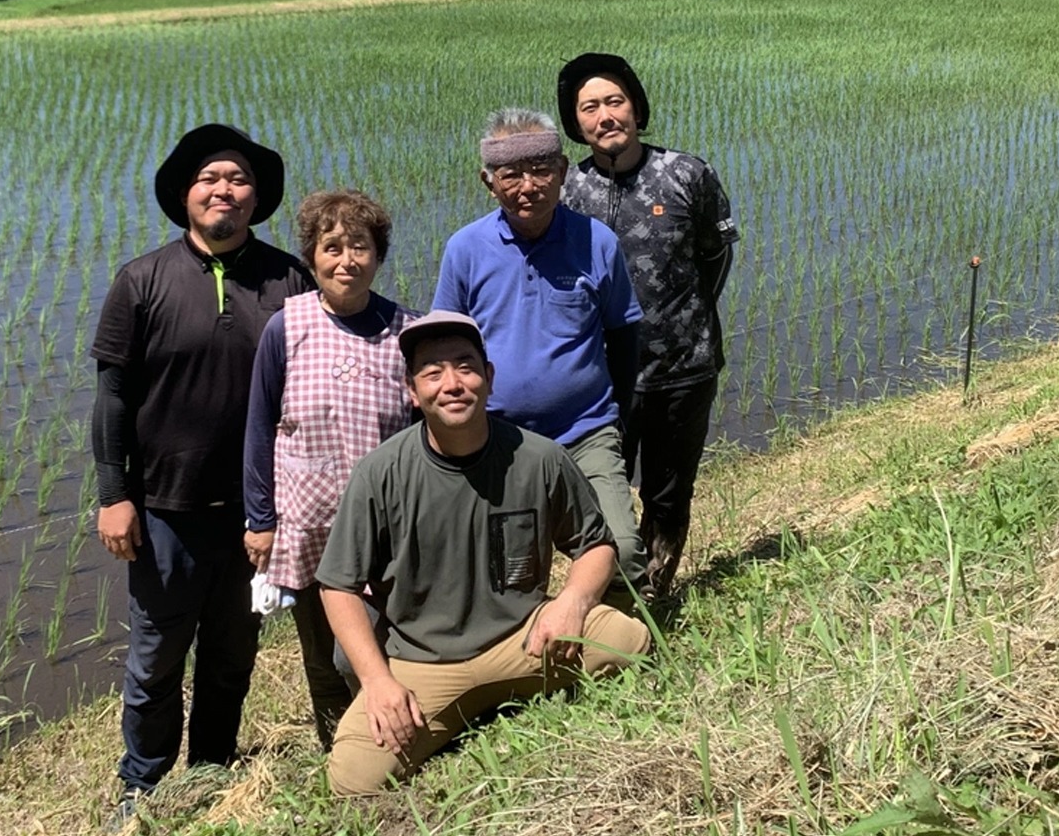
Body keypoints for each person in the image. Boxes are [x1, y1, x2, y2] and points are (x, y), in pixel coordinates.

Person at [317, 310, 651, 794]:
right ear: (413, 392)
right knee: (353, 780)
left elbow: (595, 544)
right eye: (432, 373)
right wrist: (377, 682)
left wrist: (571, 604)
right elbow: (338, 586)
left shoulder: (540, 457)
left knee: (630, 641)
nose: (451, 384)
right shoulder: (380, 473)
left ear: (489, 379)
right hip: (423, 662)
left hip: (525, 641)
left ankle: (502, 698)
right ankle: (460, 709)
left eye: (465, 366)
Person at [90, 124, 313, 820]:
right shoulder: (142, 280)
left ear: (256, 197)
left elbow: (313, 388)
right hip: (162, 511)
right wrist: (113, 497)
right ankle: (143, 785)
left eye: (238, 179)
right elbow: (112, 397)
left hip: (256, 518)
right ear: (186, 195)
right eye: (210, 179)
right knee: (155, 661)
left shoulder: (289, 278)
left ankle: (212, 771)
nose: (225, 191)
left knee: (231, 655)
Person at [431, 108, 647, 605]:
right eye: (511, 174)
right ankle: (530, 654)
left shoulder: (597, 242)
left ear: (564, 173)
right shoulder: (465, 249)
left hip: (585, 431)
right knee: (507, 570)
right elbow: (445, 349)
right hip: (500, 438)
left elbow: (623, 335)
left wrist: (619, 419)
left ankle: (618, 652)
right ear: (489, 183)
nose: (528, 185)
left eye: (542, 169)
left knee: (623, 550)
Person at [557, 52, 739, 597]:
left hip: (686, 366)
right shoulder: (569, 191)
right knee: (595, 496)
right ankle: (606, 597)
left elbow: (715, 256)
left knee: (668, 492)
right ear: (576, 122)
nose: (605, 116)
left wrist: (685, 318)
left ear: (636, 108)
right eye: (590, 107)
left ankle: (654, 596)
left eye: (615, 101)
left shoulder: (686, 173)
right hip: (601, 379)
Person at [242, 189, 418, 750]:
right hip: (311, 518)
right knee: (321, 650)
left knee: (389, 633)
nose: (347, 260)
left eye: (360, 246)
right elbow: (259, 425)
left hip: (390, 522)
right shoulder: (285, 328)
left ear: (378, 255)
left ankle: (400, 726)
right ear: (312, 257)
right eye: (332, 246)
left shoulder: (404, 332)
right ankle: (338, 744)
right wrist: (259, 518)